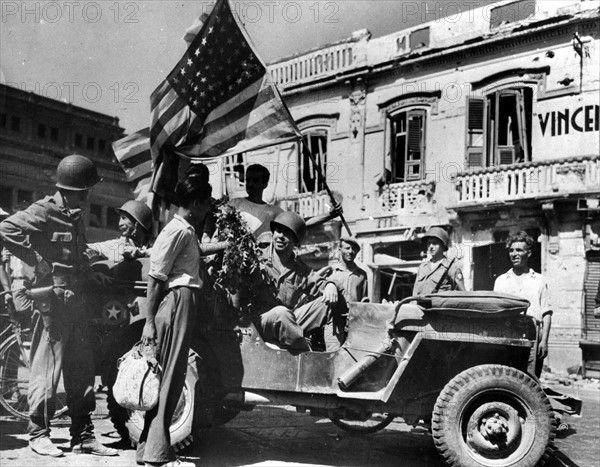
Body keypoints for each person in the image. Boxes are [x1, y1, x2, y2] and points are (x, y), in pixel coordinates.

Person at [0, 155, 118, 457]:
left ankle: (83, 436)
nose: (88, 196)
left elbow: (75, 257)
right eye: (84, 191)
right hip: (51, 304)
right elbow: (7, 230)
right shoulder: (45, 210)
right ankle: (38, 433)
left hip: (77, 303)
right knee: (46, 369)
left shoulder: (75, 215)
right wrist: (38, 262)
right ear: (70, 189)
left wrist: (92, 272)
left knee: (81, 370)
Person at [136, 177, 213, 467]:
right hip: (178, 301)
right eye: (205, 204)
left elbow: (193, 256)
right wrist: (149, 322)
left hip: (183, 301)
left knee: (171, 374)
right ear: (194, 204)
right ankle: (158, 454)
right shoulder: (177, 231)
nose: (208, 209)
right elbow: (156, 277)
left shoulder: (186, 230)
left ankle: (148, 449)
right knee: (170, 376)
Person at [254, 211, 345, 352]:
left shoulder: (298, 268)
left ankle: (334, 355)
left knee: (330, 302)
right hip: (262, 324)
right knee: (281, 313)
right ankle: (307, 356)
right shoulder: (256, 258)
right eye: (278, 231)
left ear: (296, 242)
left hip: (288, 324)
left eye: (287, 234)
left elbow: (316, 280)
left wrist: (330, 285)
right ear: (273, 234)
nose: (281, 237)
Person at [494, 231, 552, 377]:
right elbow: (494, 312)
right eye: (512, 250)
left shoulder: (539, 280)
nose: (514, 254)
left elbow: (546, 313)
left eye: (519, 250)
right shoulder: (501, 281)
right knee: (507, 378)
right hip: (507, 336)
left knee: (530, 381)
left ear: (529, 253)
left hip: (532, 336)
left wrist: (544, 341)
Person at [230, 164, 343, 237]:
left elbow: (300, 223)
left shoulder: (273, 212)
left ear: (264, 184)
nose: (250, 184)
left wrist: (330, 215)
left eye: (255, 180)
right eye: (247, 180)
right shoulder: (235, 203)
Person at [86, 199, 153, 262]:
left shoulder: (152, 249)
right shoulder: (116, 245)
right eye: (120, 218)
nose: (119, 224)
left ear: (137, 224)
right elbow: (90, 247)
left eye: (124, 218)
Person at [412, 227, 465, 296]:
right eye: (429, 243)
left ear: (443, 246)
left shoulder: (451, 268)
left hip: (439, 306)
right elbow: (415, 293)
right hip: (419, 306)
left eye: (435, 243)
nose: (431, 246)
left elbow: (462, 294)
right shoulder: (422, 268)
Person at [328, 236, 368, 303]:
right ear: (340, 250)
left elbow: (364, 298)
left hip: (354, 312)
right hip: (335, 312)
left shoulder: (362, 275)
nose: (350, 251)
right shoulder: (332, 271)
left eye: (353, 249)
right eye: (347, 248)